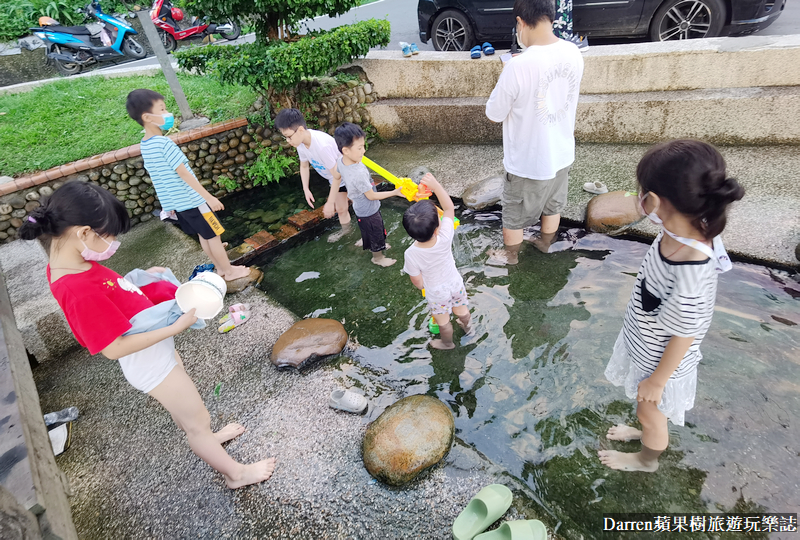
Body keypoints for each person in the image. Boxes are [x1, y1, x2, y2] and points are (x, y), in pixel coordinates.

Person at [19, 182, 276, 488]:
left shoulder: (72, 263)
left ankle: (208, 437)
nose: (114, 243)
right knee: (197, 421)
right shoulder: (75, 289)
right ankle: (235, 473)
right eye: (110, 236)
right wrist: (173, 328)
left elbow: (109, 296)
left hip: (157, 354)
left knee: (189, 413)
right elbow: (112, 348)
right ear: (84, 233)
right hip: (151, 365)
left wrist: (140, 279)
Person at [599, 140, 744, 472]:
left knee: (648, 410)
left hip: (662, 364)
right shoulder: (681, 231)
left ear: (654, 201)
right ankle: (646, 432)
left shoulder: (691, 268)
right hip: (649, 347)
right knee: (648, 411)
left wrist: (658, 381)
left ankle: (646, 460)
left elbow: (685, 333)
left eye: (640, 192)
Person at [486, 0, 584, 264]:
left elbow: (494, 114)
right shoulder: (573, 51)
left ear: (520, 22)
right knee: (553, 206)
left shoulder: (517, 66)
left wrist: (509, 71)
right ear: (550, 17)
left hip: (528, 162)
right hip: (562, 154)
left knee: (514, 216)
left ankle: (511, 257)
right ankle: (544, 243)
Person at [125, 89, 251, 282]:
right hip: (194, 200)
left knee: (204, 234)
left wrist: (169, 206)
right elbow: (183, 173)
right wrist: (208, 197)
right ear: (147, 117)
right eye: (162, 109)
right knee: (214, 234)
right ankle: (229, 271)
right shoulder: (164, 144)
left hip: (180, 204)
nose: (168, 114)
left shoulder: (146, 145)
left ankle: (220, 269)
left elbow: (158, 179)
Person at [402, 173, 471, 350]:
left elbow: (417, 281)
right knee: (462, 311)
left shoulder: (411, 254)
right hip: (455, 283)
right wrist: (436, 186)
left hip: (436, 291)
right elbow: (448, 209)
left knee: (443, 321)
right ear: (436, 227)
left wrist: (423, 287)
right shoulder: (444, 236)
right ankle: (468, 329)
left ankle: (447, 343)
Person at [274, 108, 352, 241]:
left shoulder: (321, 146)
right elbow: (304, 165)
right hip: (335, 179)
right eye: (285, 137)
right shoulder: (300, 143)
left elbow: (337, 176)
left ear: (299, 130)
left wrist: (330, 201)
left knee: (363, 207)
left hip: (350, 176)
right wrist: (306, 188)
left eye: (288, 136)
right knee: (341, 209)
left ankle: (374, 237)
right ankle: (348, 233)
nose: (288, 141)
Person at [333, 122, 403, 267]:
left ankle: (366, 241)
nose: (363, 151)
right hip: (369, 210)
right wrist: (395, 192)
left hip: (360, 208)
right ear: (346, 150)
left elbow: (336, 174)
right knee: (376, 232)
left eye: (363, 146)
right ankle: (377, 258)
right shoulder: (358, 173)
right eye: (359, 148)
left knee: (366, 227)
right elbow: (371, 196)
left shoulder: (341, 161)